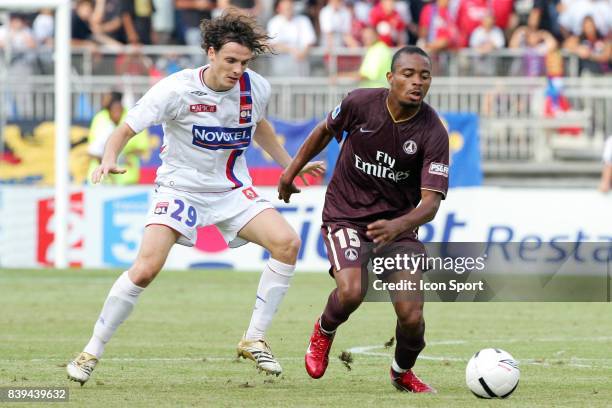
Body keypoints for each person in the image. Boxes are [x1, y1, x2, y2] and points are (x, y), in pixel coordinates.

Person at [66, 11, 324, 385]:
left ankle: (254, 338)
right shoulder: (176, 89)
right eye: (230, 61)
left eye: (244, 62)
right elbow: (124, 129)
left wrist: (290, 166)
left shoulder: (256, 88)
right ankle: (90, 351)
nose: (238, 70)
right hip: (179, 188)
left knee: (287, 243)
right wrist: (109, 159)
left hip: (232, 190)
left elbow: (260, 126)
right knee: (145, 269)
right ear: (210, 52)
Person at [278, 46, 449, 393]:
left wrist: (397, 226)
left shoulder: (433, 132)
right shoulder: (359, 103)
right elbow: (323, 131)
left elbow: (430, 204)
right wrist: (290, 172)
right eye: (408, 74)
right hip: (346, 214)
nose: (417, 82)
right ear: (390, 78)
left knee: (412, 317)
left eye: (424, 76)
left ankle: (402, 372)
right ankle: (323, 331)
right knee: (353, 291)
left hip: (396, 227)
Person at [87, 92, 150, 185]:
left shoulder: (133, 118)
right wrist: (108, 161)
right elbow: (92, 150)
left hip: (127, 180)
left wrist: (123, 155)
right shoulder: (99, 118)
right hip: (100, 182)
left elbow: (143, 150)